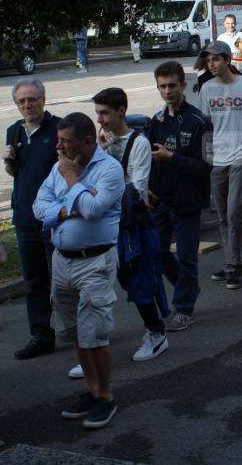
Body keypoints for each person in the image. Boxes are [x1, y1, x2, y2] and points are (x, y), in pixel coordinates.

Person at [33, 112, 124, 429]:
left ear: (87, 142)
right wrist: (64, 210)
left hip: (95, 262)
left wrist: (72, 179)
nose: (59, 148)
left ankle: (105, 396)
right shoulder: (58, 167)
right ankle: (91, 389)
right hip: (62, 260)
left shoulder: (109, 170)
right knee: (75, 333)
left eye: (65, 142)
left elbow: (94, 210)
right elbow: (39, 206)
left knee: (94, 334)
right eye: (58, 141)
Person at [90, 87, 169, 368]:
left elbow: (137, 187)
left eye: (104, 113)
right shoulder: (100, 143)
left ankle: (156, 332)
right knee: (100, 285)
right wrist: (100, 150)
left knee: (136, 281)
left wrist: (107, 157)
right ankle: (91, 346)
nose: (100, 119)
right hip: (105, 224)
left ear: (121, 111)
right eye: (97, 113)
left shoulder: (139, 143)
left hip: (130, 225)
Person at [148, 61, 211, 333]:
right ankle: (188, 286)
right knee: (159, 252)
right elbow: (152, 159)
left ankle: (184, 308)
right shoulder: (157, 120)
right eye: (162, 86)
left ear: (183, 86)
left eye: (172, 85)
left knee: (186, 256)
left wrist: (173, 158)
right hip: (162, 198)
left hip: (188, 199)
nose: (167, 91)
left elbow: (206, 165)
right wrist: (150, 186)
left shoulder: (200, 121)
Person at [3, 78, 60, 360]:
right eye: (22, 101)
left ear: (43, 99)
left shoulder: (60, 128)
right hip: (25, 217)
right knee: (34, 280)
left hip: (55, 218)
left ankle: (80, 329)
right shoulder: (13, 131)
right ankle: (40, 334)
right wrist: (8, 162)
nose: (27, 105)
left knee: (63, 278)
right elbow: (17, 174)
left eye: (32, 99)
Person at [199, 41, 242, 290]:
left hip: (240, 156)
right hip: (217, 158)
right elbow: (207, 126)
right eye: (208, 61)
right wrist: (208, 156)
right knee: (223, 215)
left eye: (215, 59)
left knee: (235, 210)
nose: (211, 64)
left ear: (227, 60)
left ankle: (231, 265)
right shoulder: (206, 89)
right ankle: (231, 261)